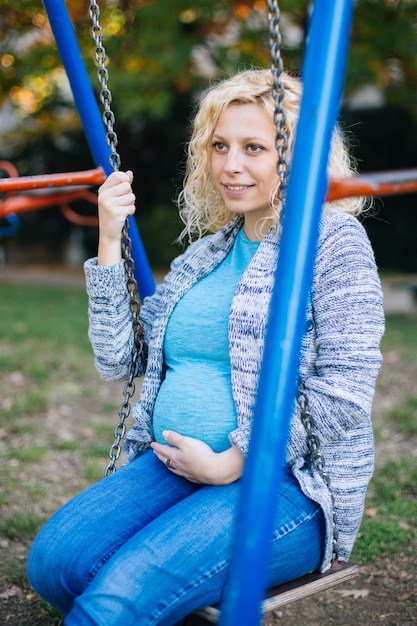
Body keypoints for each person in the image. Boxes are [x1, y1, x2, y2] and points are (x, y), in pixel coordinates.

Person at [27, 69, 384, 625]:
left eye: (254, 148)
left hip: (287, 486)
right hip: (173, 466)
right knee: (55, 564)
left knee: (114, 604)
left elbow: (344, 393)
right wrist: (106, 237)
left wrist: (235, 460)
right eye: (219, 146)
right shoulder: (207, 254)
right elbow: (119, 358)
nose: (230, 165)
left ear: (296, 155)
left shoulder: (331, 242)